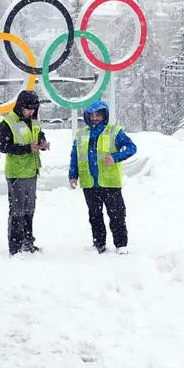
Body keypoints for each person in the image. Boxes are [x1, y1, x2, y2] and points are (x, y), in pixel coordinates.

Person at [69, 100, 137, 254]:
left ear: (104, 115)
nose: (95, 118)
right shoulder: (81, 134)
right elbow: (75, 156)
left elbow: (131, 147)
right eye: (92, 115)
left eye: (98, 115)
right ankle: (98, 244)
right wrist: (73, 175)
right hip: (89, 183)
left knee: (117, 214)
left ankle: (121, 245)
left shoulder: (114, 131)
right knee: (94, 216)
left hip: (110, 182)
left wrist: (116, 156)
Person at [0, 88, 49, 255]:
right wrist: (28, 148)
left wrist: (42, 142)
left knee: (29, 210)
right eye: (28, 108)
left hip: (32, 171)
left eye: (34, 109)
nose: (31, 112)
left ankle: (28, 241)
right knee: (17, 211)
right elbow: (4, 147)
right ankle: (15, 246)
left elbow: (39, 133)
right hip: (16, 174)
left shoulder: (34, 121)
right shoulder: (8, 122)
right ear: (20, 107)